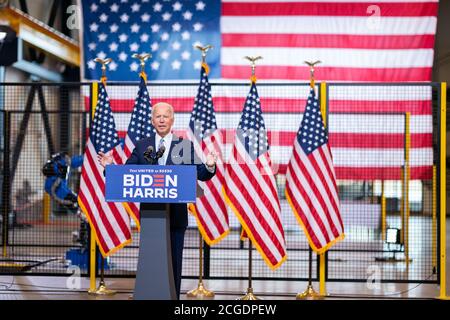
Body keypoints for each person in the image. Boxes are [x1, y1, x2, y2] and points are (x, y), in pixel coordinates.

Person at [98, 102, 217, 299]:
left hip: (176, 217)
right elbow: (128, 173)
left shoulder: (184, 146)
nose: (161, 120)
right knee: (151, 261)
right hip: (151, 216)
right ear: (152, 120)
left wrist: (210, 165)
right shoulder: (143, 145)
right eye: (158, 116)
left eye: (165, 116)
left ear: (172, 119)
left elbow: (201, 174)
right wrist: (110, 168)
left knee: (173, 262)